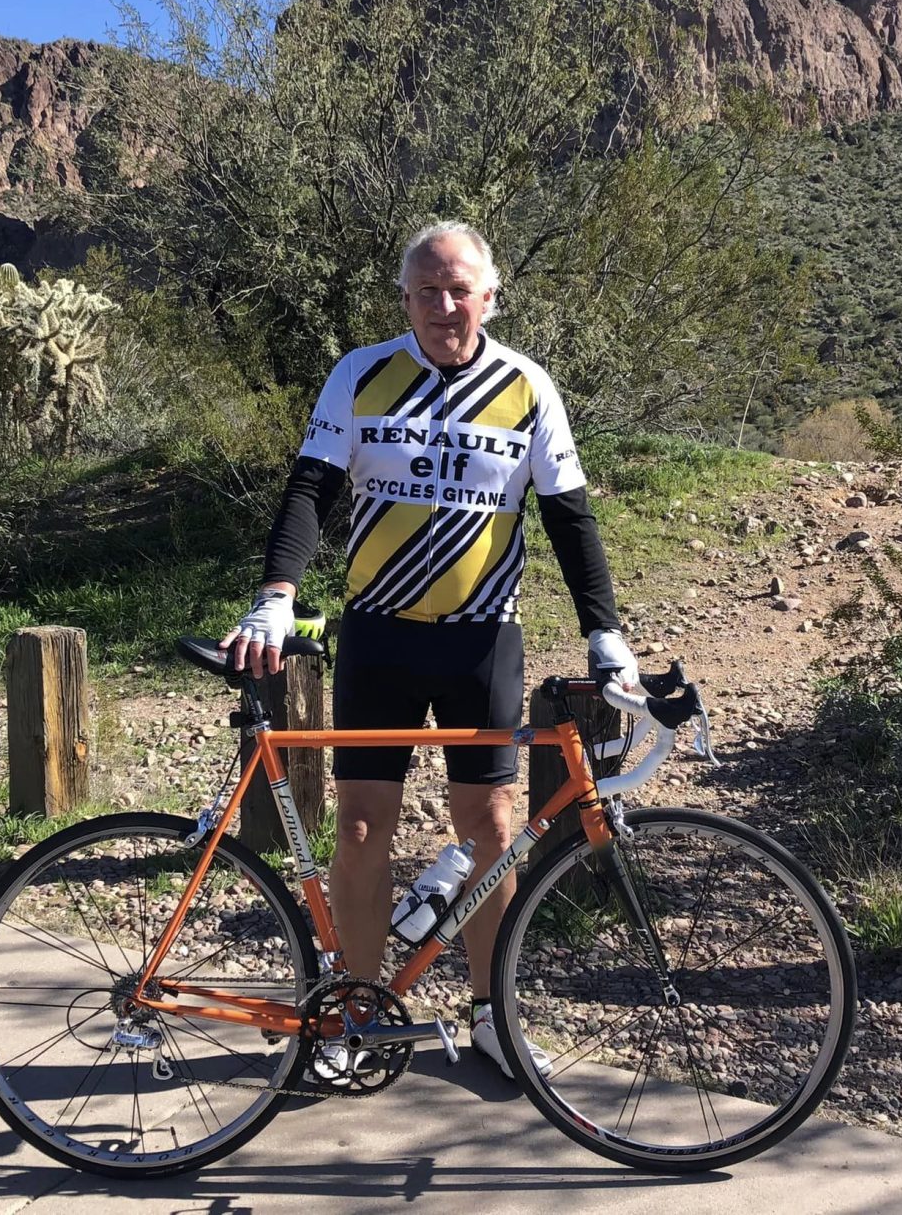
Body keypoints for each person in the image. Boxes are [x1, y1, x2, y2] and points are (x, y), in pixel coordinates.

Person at [220, 221, 636, 1077]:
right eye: (426, 291)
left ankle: (492, 1014)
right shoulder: (362, 374)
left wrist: (605, 631)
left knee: (489, 827)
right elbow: (312, 488)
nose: (445, 306)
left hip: (484, 639)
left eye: (460, 290)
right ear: (404, 298)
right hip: (380, 633)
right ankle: (353, 1017)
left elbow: (570, 518)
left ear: (491, 293)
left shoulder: (527, 387)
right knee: (364, 827)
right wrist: (275, 596)